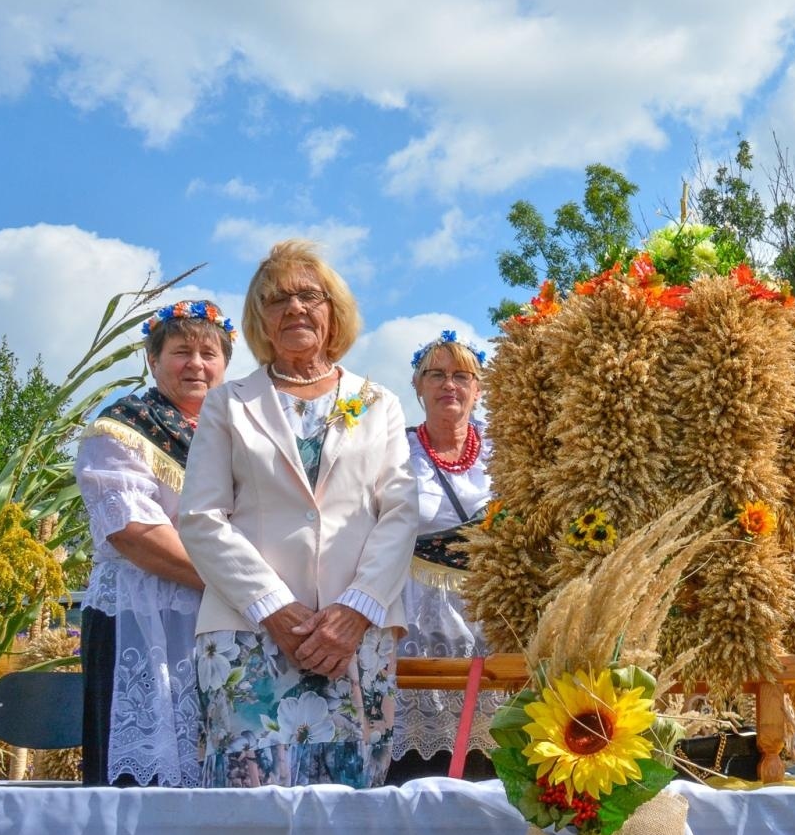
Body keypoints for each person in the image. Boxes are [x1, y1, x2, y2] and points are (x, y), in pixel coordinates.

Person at [180, 240, 420, 788]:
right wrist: (275, 609)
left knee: (351, 809)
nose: (294, 308)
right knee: (250, 813)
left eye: (309, 295)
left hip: (356, 636)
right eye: (276, 299)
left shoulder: (376, 401)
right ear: (259, 319)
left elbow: (400, 512)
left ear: (333, 310)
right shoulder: (228, 403)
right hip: (249, 633)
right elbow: (201, 516)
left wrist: (355, 610)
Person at [77, 299, 233, 786]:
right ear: (153, 359)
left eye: (210, 353)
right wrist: (239, 588)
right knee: (142, 775)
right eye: (181, 351)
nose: (197, 364)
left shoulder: (238, 434)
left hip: (221, 621)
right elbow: (134, 533)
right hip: (141, 620)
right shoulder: (122, 426)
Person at [384, 331, 502, 782]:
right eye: (436, 374)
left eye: (461, 375)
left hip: (488, 612)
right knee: (418, 758)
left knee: (488, 752)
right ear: (417, 386)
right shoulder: (397, 449)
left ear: (480, 387)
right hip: (416, 612)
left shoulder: (504, 449)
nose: (448, 385)